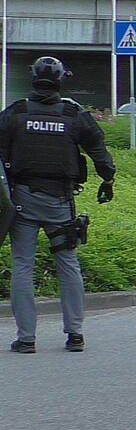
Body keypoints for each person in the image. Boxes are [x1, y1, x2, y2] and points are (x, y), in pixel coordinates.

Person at [0, 56, 116, 354]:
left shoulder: (15, 112)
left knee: (23, 266)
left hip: (23, 201)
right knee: (68, 264)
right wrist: (108, 179)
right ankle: (75, 334)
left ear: (33, 78)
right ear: (61, 79)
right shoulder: (74, 114)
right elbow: (98, 151)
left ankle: (26, 339)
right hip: (60, 204)